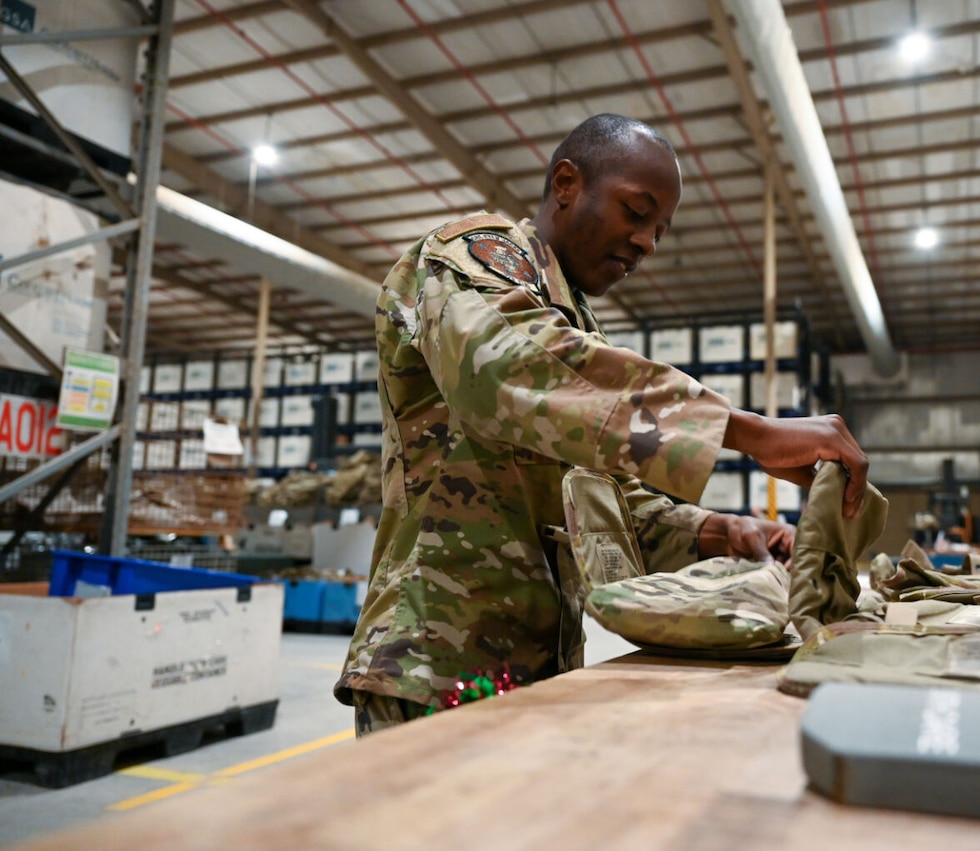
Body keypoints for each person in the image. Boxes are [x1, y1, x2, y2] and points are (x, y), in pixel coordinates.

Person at [335, 113, 869, 734]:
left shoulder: (581, 333)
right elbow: (501, 374)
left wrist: (718, 531)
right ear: (566, 183)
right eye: (636, 213)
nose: (646, 244)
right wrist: (750, 431)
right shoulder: (469, 256)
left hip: (538, 670)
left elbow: (604, 509)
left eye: (659, 233)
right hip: (431, 667)